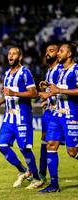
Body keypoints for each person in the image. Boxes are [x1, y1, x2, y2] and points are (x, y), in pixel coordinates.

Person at [0, 47, 43, 189]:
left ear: (20, 57)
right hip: (8, 117)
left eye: (14, 54)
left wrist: (14, 93)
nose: (10, 56)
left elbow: (34, 93)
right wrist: (0, 103)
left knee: (24, 149)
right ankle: (23, 170)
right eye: (9, 53)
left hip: (22, 117)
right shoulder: (7, 74)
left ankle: (37, 178)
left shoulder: (25, 72)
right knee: (2, 146)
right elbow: (7, 93)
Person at [39, 43, 78, 193]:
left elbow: (68, 90)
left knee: (72, 152)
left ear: (69, 54)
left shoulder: (76, 70)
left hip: (71, 115)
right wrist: (48, 90)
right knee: (51, 145)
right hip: (56, 115)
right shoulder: (60, 71)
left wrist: (58, 89)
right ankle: (54, 184)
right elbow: (58, 90)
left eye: (61, 51)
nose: (59, 54)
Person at [37, 44, 63, 183]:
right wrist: (47, 99)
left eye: (51, 51)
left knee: (72, 149)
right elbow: (52, 90)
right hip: (50, 111)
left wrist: (49, 94)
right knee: (45, 141)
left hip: (61, 112)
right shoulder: (49, 70)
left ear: (59, 53)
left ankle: (42, 174)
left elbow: (62, 89)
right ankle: (42, 174)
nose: (47, 53)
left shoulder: (60, 69)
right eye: (46, 51)